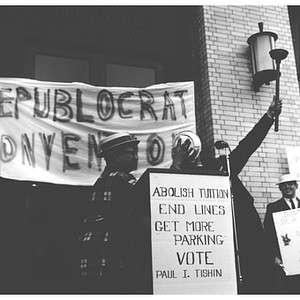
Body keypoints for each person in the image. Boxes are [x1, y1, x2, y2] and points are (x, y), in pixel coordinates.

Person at [174, 96, 282, 294]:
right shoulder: (178, 176)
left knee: (258, 282)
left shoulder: (221, 166)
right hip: (212, 242)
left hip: (245, 232)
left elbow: (247, 146)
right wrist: (176, 167)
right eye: (181, 149)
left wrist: (269, 116)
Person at [78, 131, 192, 294]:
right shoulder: (118, 179)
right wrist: (176, 164)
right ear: (116, 156)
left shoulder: (105, 180)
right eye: (131, 153)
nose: (136, 157)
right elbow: (154, 194)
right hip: (105, 255)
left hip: (96, 254)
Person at [264, 174, 300, 294]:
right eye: (283, 185)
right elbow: (269, 233)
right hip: (286, 258)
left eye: (290, 184)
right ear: (280, 188)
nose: (287, 187)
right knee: (291, 288)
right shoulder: (273, 208)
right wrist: (275, 255)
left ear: (296, 186)